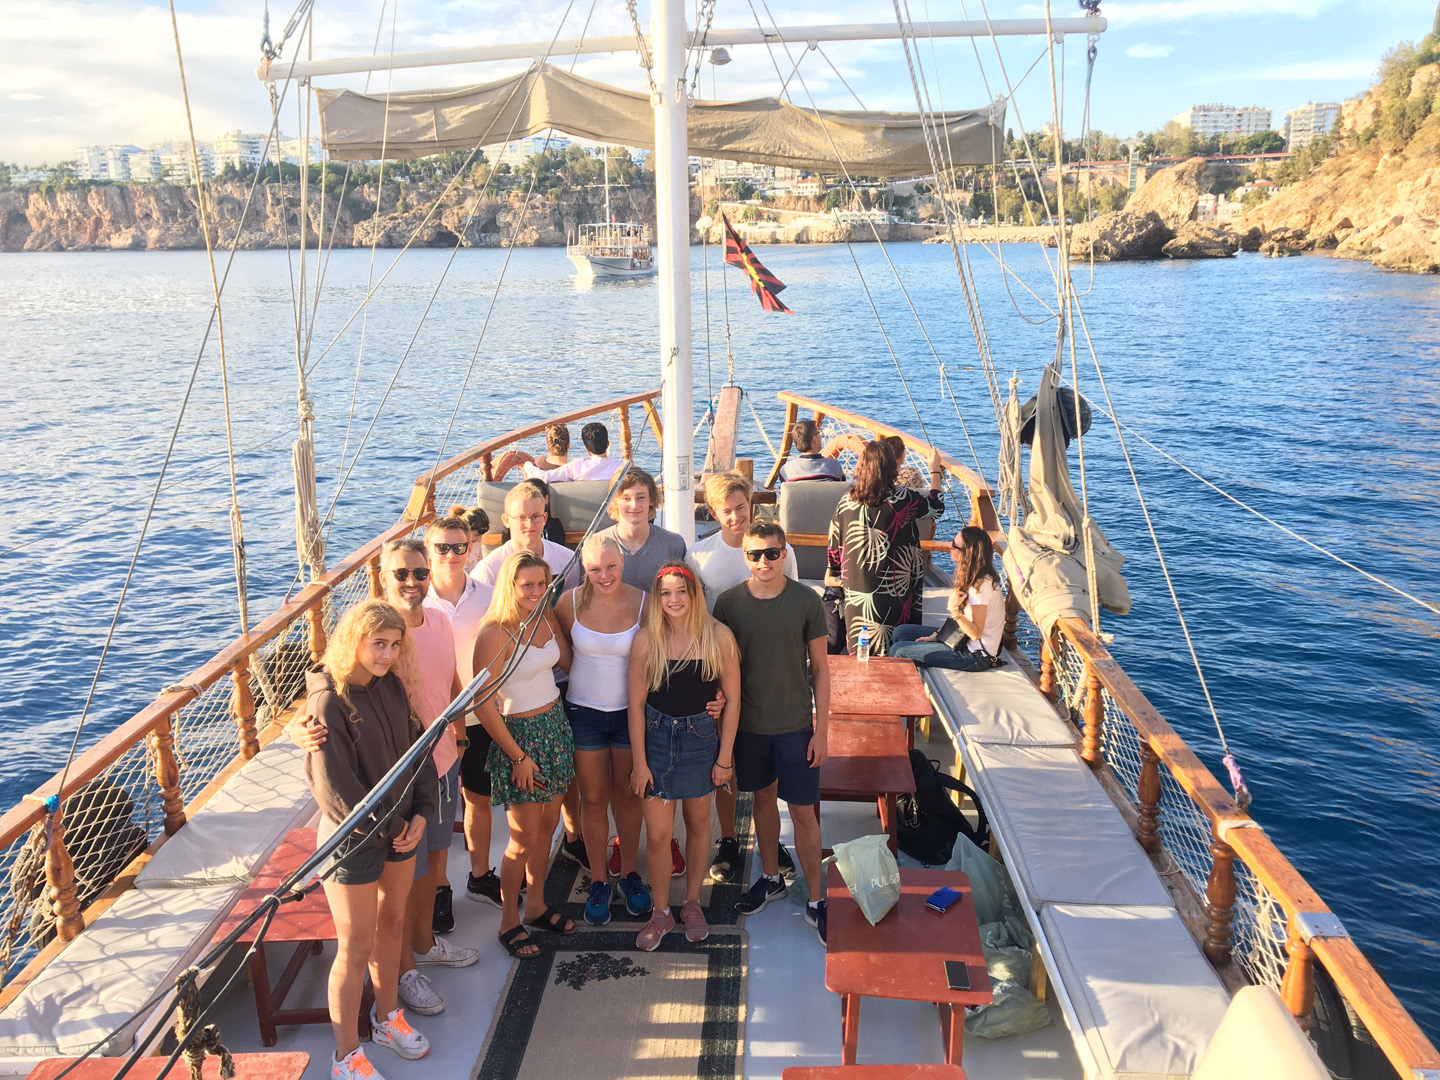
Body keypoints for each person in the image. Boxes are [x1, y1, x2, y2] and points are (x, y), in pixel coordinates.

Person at [291, 540, 477, 1021]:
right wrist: (298, 723)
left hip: (432, 769)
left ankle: (422, 945)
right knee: (375, 919)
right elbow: (329, 687)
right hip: (375, 821)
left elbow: (445, 689)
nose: (412, 582)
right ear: (383, 576)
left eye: (420, 573)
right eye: (401, 574)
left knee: (431, 866)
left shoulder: (434, 623)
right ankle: (403, 976)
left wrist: (457, 740)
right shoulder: (363, 641)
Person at [302, 599, 438, 1080]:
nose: (387, 654)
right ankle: (345, 1058)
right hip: (353, 843)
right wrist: (395, 826)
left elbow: (418, 752)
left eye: (395, 645)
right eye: (378, 643)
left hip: (401, 831)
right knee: (355, 946)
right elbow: (336, 791)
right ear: (352, 641)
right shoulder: (328, 703)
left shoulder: (392, 686)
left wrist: (422, 812)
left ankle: (386, 1019)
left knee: (392, 924)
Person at [713, 522, 831, 944]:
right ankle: (770, 878)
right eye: (754, 554)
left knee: (803, 813)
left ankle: (816, 900)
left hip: (796, 727)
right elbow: (719, 669)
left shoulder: (806, 601)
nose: (763, 561)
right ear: (744, 556)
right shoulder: (727, 604)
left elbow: (821, 669)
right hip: (749, 727)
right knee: (762, 802)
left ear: (784, 553)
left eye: (771, 552)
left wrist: (822, 729)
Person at [686, 471, 798, 886]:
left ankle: (772, 838)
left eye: (741, 507)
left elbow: (792, 608)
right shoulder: (699, 556)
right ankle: (730, 838)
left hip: (769, 671)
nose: (735, 516)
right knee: (725, 759)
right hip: (719, 672)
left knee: (770, 759)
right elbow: (694, 622)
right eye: (726, 511)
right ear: (713, 512)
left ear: (751, 503)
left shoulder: (778, 549)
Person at [470, 551, 577, 958]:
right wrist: (517, 758)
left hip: (555, 728)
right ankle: (508, 922)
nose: (535, 591)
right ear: (510, 586)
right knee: (522, 838)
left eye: (541, 584)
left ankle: (535, 905)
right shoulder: (494, 634)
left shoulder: (545, 617)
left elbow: (567, 661)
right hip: (522, 738)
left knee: (548, 827)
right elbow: (483, 705)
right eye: (527, 585)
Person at [628, 564, 740, 951]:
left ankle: (692, 903)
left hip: (701, 740)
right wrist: (639, 762)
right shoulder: (647, 639)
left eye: (681, 591)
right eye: (666, 593)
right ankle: (661, 911)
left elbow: (733, 700)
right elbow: (635, 705)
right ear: (657, 598)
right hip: (657, 740)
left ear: (694, 595)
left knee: (697, 823)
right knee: (658, 835)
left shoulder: (719, 636)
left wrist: (725, 758)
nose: (674, 599)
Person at [555, 534, 652, 924]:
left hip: (630, 715)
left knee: (628, 797)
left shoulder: (645, 603)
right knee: (593, 800)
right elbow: (561, 651)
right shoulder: (568, 603)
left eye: (611, 566)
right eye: (594, 569)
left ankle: (628, 874)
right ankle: (598, 879)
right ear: (584, 568)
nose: (604, 575)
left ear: (622, 563)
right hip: (584, 713)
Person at [423, 516, 503, 915]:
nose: (451, 555)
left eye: (459, 547)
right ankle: (439, 887)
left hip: (479, 713)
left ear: (471, 549)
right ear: (429, 550)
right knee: (436, 807)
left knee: (478, 798)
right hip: (431, 722)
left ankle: (480, 875)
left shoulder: (489, 595)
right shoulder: (415, 602)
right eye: (442, 547)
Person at [825, 440, 944, 656]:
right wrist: (935, 469)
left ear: (861, 467)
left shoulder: (846, 502)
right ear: (892, 468)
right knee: (897, 646)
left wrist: (835, 573)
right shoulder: (904, 499)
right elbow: (936, 507)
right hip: (897, 589)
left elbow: (834, 548)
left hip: (857, 589)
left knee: (861, 650)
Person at [889, 526, 1005, 671]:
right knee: (901, 632)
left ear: (967, 553)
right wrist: (936, 636)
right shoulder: (970, 576)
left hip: (975, 655)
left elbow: (975, 634)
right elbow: (965, 621)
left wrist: (954, 610)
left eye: (954, 545)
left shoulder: (980, 587)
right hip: (962, 640)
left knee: (898, 651)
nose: (950, 547)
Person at [473, 480, 578, 590]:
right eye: (522, 517)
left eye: (536, 516)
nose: (530, 524)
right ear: (506, 520)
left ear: (545, 518)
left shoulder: (568, 560)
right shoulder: (488, 571)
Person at [599, 467, 687, 590]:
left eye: (640, 497)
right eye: (626, 498)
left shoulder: (673, 544)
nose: (634, 505)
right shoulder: (596, 545)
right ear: (614, 502)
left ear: (651, 500)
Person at [542, 421, 624, 483]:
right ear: (608, 444)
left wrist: (532, 466)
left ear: (586, 448)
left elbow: (544, 477)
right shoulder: (622, 470)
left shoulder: (577, 467)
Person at [777, 419, 845, 483]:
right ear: (814, 439)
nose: (820, 436)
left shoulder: (786, 470)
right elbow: (841, 487)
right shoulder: (834, 466)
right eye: (819, 433)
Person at [449, 504, 489, 574]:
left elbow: (480, 561)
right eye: (477, 535)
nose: (479, 539)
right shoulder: (455, 546)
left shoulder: (475, 542)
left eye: (482, 535)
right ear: (466, 529)